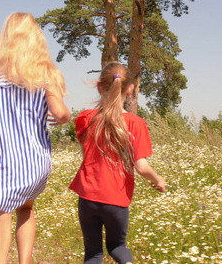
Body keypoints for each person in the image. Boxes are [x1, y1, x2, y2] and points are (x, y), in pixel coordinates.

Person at [0, 12, 71, 264]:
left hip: (1, 165)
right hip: (34, 164)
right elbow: (60, 112)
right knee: (26, 208)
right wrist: (64, 117)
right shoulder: (44, 73)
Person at [69, 62, 166, 264]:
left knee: (93, 254)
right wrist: (158, 179)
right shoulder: (135, 123)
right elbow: (141, 166)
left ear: (99, 87)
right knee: (118, 247)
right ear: (130, 89)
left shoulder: (86, 118)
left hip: (88, 198)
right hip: (116, 200)